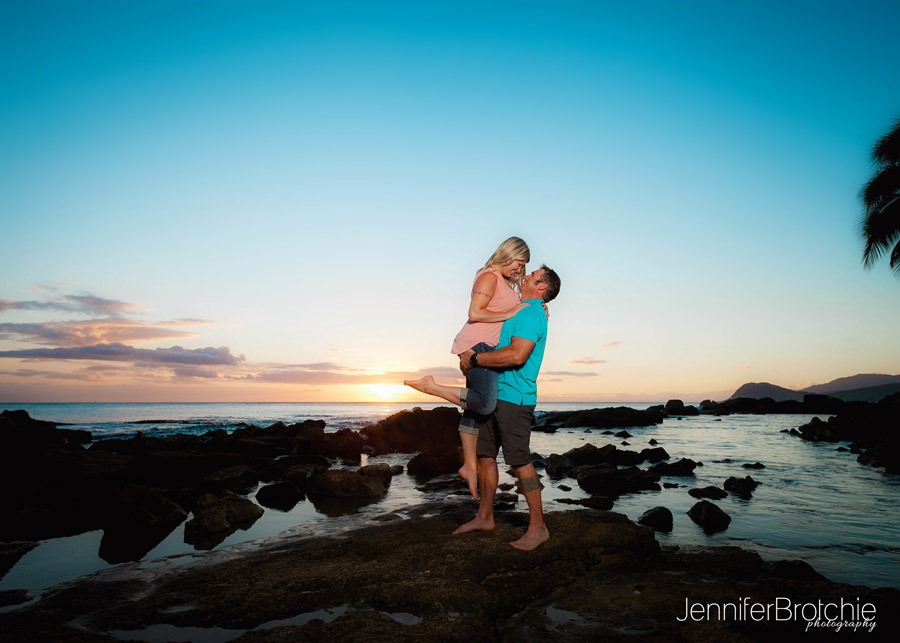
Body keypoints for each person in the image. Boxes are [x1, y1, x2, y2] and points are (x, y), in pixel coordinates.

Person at [404, 237, 532, 500]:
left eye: (523, 266)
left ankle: (469, 466)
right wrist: (510, 313)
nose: (519, 269)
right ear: (509, 254)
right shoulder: (489, 276)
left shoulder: (504, 281)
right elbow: (475, 313)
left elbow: (518, 304)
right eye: (519, 263)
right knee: (484, 404)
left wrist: (535, 306)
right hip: (477, 346)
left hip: (484, 346)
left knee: (474, 412)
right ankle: (431, 387)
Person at [453, 265, 561, 551]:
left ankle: (538, 528)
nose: (525, 276)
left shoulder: (531, 314)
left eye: (532, 275)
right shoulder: (519, 309)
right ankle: (485, 517)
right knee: (485, 456)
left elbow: (516, 355)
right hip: (492, 393)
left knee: (519, 461)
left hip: (515, 398)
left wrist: (474, 360)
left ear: (541, 287)